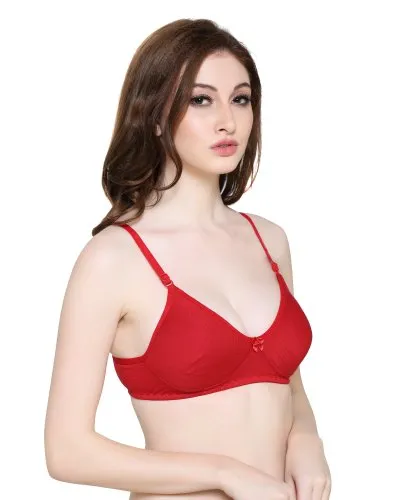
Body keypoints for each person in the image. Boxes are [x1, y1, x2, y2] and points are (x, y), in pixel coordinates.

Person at [44, 18, 331, 500]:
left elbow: (287, 384)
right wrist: (224, 473)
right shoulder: (113, 259)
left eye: (241, 99)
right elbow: (66, 451)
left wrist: (307, 438)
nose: (228, 121)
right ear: (155, 115)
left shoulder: (269, 241)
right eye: (201, 100)